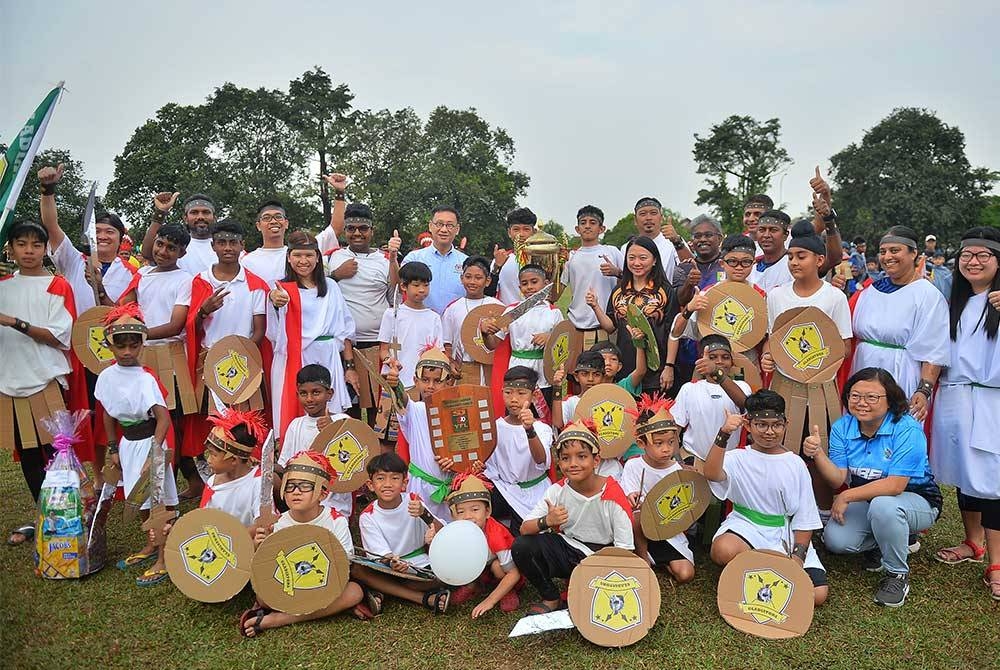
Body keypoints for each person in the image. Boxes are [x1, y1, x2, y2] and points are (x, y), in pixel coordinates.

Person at [808, 368, 941, 607]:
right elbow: (837, 478)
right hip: (869, 501)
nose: (862, 403)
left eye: (872, 397)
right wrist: (817, 454)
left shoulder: (907, 428)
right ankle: (892, 539)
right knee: (836, 541)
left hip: (918, 500)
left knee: (885, 506)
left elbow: (895, 485)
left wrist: (847, 495)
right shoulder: (843, 427)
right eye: (855, 396)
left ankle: (897, 574)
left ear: (890, 400)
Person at [705, 390, 829, 607]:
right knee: (723, 549)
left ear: (785, 424)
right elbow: (712, 473)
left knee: (818, 595)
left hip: (783, 532)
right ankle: (767, 573)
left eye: (776, 425)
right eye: (762, 425)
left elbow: (805, 517)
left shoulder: (795, 464)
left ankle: (756, 575)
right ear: (748, 425)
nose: (769, 431)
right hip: (746, 527)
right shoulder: (738, 458)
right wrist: (724, 433)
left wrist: (797, 558)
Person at [930, 228, 1000, 600]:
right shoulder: (951, 303)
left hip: (991, 400)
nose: (973, 262)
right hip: (954, 398)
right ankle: (974, 542)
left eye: (983, 255)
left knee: (991, 478)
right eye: (967, 255)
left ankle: (997, 562)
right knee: (962, 471)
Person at [0, 221, 75, 545]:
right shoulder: (2, 286)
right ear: (11, 248)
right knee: (28, 457)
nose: (28, 251)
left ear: (45, 249)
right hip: (9, 382)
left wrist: (15, 322)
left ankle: (68, 517)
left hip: (45, 380)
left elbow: (60, 337)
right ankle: (43, 516)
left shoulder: (57, 286)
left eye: (35, 244)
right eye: (21, 244)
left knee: (56, 454)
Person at [511, 420, 634, 614]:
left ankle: (579, 587)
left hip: (602, 556)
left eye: (582, 456)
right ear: (559, 463)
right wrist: (547, 521)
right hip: (569, 547)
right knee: (522, 546)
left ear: (596, 460)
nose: (573, 464)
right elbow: (524, 529)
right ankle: (551, 597)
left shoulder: (612, 495)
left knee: (591, 604)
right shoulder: (558, 490)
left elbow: (624, 551)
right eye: (566, 458)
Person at [242, 450, 369, 636]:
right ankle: (322, 610)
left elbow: (344, 563)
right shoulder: (278, 523)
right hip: (291, 584)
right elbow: (267, 571)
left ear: (322, 493)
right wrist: (259, 548)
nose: (296, 492)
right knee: (263, 597)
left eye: (305, 486)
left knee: (354, 591)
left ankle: (280, 618)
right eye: (290, 486)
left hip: (324, 584)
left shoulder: (335, 520)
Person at [95, 304, 177, 587]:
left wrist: (154, 455)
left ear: (141, 345)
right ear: (110, 345)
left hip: (151, 440)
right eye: (121, 347)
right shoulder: (106, 376)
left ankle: (164, 558)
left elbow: (164, 419)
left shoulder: (145, 378)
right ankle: (151, 544)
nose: (127, 352)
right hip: (127, 443)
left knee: (157, 503)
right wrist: (112, 448)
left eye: (133, 346)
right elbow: (107, 412)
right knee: (138, 498)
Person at [183, 219, 268, 491]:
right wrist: (203, 311)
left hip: (242, 363)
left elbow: (258, 331)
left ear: (243, 245)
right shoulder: (200, 281)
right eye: (222, 242)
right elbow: (190, 328)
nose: (228, 248)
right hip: (208, 362)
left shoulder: (255, 284)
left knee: (243, 423)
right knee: (211, 422)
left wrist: (236, 356)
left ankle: (245, 481)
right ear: (213, 245)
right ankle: (216, 482)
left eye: (233, 242)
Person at [849, 225, 949, 414]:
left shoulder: (928, 295)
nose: (887, 257)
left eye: (895, 251)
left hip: (901, 374)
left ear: (913, 254)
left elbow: (934, 351)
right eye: (883, 251)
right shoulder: (870, 291)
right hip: (862, 369)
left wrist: (924, 389)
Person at [269, 231, 357, 438]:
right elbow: (273, 330)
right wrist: (274, 301)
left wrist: (349, 367)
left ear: (317, 257)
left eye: (309, 255)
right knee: (298, 410)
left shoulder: (331, 287)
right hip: (295, 357)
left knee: (329, 414)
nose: (303, 261)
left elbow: (344, 330)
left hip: (327, 356)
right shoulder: (282, 289)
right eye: (298, 255)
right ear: (289, 257)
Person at [326, 203, 401, 416]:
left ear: (372, 231)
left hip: (380, 344)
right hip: (345, 345)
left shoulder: (384, 259)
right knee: (351, 407)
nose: (357, 233)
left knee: (384, 406)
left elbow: (395, 298)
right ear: (345, 231)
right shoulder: (332, 257)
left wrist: (394, 260)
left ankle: (384, 449)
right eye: (351, 228)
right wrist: (336, 275)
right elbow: (317, 292)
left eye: (363, 228)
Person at [354, 453, 451, 615]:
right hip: (388, 568)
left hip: (420, 566)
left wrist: (424, 514)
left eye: (394, 478)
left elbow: (442, 531)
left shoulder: (413, 501)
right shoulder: (368, 516)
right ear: (370, 485)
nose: (387, 484)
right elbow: (381, 555)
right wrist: (392, 563)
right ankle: (423, 598)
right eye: (380, 478)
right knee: (358, 570)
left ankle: (382, 591)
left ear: (405, 483)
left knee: (442, 576)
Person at [664, 233, 765, 389]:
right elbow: (676, 333)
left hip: (747, 369)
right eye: (732, 261)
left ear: (753, 263)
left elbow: (769, 337)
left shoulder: (761, 297)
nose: (739, 267)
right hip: (708, 371)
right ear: (722, 263)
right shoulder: (707, 294)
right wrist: (690, 308)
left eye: (746, 262)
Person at [119, 224, 196, 417]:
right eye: (159, 244)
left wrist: (136, 335)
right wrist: (100, 291)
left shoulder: (185, 279)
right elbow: (122, 308)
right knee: (142, 415)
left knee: (172, 415)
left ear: (183, 253)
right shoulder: (142, 274)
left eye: (171, 248)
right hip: (142, 355)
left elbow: (176, 326)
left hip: (172, 357)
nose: (162, 251)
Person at [38, 164, 136, 309]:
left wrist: (100, 290)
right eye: (96, 231)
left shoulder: (132, 273)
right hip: (73, 331)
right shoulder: (74, 260)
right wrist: (47, 190)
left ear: (120, 238)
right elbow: (51, 226)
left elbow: (127, 313)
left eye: (109, 232)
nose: (102, 236)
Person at [589, 236, 677, 395]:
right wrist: (595, 307)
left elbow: (674, 332)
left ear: (654, 260)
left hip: (657, 370)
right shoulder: (619, 291)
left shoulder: (665, 290)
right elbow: (610, 327)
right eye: (631, 258)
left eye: (643, 258)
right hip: (627, 370)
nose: (636, 263)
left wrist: (669, 366)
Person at [620, 395, 695, 583]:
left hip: (669, 530)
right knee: (638, 514)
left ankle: (662, 560)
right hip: (641, 530)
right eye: (659, 443)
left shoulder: (677, 470)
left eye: (671, 442)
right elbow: (628, 499)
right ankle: (643, 556)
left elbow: (684, 508)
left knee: (685, 574)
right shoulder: (633, 466)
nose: (666, 449)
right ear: (641, 443)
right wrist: (632, 497)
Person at [384, 345, 457, 522]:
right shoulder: (415, 411)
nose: (430, 386)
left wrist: (455, 464)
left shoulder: (458, 412)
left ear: (449, 383)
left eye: (437, 381)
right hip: (420, 488)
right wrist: (395, 385)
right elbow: (401, 400)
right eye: (425, 380)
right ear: (416, 382)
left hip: (450, 488)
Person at [436, 472, 523, 617]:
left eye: (475, 509)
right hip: (481, 567)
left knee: (497, 567)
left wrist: (490, 601)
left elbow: (513, 573)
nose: (468, 516)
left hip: (505, 569)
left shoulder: (496, 534)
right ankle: (473, 585)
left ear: (487, 511)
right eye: (461, 511)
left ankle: (508, 591)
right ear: (453, 516)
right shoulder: (457, 531)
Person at [276, 364, 353, 517]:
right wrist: (265, 467)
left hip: (332, 501)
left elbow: (353, 465)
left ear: (329, 394)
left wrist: (333, 432)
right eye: (303, 393)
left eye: (316, 392)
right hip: (300, 497)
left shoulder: (343, 421)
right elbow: (285, 466)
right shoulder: (296, 425)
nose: (309, 399)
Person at [483, 367, 553, 532]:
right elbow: (489, 465)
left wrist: (529, 430)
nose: (514, 399)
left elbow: (541, 459)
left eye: (521, 393)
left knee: (524, 537)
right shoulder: (495, 427)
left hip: (534, 492)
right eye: (508, 392)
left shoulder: (541, 428)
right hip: (504, 489)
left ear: (533, 395)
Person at [482, 264, 563, 402]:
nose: (530, 287)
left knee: (542, 414)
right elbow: (492, 344)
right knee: (517, 409)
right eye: (525, 284)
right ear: (520, 288)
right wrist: (485, 333)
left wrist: (550, 338)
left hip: (544, 372)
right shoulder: (511, 312)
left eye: (534, 282)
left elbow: (564, 344)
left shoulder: (553, 312)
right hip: (516, 369)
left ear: (546, 284)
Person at [670, 335, 750, 463]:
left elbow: (744, 403)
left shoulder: (742, 386)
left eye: (725, 357)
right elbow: (674, 430)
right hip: (694, 459)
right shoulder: (689, 389)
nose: (719, 362)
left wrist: (717, 373)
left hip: (730, 461)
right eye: (712, 358)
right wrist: (678, 461)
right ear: (701, 360)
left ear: (732, 361)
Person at [561, 205, 621, 349]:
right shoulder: (570, 257)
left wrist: (617, 272)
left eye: (592, 223)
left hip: (607, 325)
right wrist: (556, 267)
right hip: (577, 325)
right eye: (583, 223)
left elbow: (630, 280)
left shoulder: (612, 252)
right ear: (577, 229)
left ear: (602, 229)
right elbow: (556, 294)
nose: (587, 226)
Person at [196, 408, 267, 526]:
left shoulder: (258, 482)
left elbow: (261, 524)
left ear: (234, 459)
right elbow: (204, 520)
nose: (208, 460)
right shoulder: (212, 482)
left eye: (213, 455)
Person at [378, 262, 443, 388]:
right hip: (396, 379)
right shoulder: (392, 314)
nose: (422, 290)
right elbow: (384, 350)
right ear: (403, 286)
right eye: (416, 285)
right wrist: (390, 361)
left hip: (423, 384)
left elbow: (438, 352)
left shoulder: (433, 317)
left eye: (426, 285)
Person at [442, 256, 503, 385]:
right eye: (468, 277)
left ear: (487, 281)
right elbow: (447, 343)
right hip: (462, 368)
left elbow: (500, 343)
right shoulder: (453, 308)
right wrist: (449, 362)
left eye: (478, 278)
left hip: (489, 368)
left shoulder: (496, 307)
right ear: (461, 278)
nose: (472, 282)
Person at [400, 206, 468, 314]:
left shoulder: (466, 263)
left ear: (457, 229)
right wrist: (393, 258)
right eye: (439, 224)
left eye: (450, 225)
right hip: (421, 323)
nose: (444, 230)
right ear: (430, 226)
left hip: (454, 325)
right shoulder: (414, 258)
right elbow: (399, 287)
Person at [625, 197, 685, 283]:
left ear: (661, 218)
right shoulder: (627, 247)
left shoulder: (674, 242)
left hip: (667, 294)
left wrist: (677, 241)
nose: (648, 218)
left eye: (653, 213)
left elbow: (691, 267)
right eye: (643, 214)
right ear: (635, 220)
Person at [490, 207, 537, 303]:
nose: (521, 234)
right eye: (516, 229)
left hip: (536, 315)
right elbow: (489, 291)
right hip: (507, 314)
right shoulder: (501, 260)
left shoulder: (543, 258)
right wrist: (496, 267)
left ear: (534, 232)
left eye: (526, 229)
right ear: (509, 232)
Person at [240, 200, 290, 285]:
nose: (273, 221)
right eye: (266, 218)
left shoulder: (296, 257)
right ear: (258, 226)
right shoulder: (247, 261)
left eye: (278, 217)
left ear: (286, 223)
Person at [747, 210, 794, 293]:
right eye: (762, 230)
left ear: (785, 235)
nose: (766, 235)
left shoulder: (793, 265)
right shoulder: (750, 267)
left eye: (773, 230)